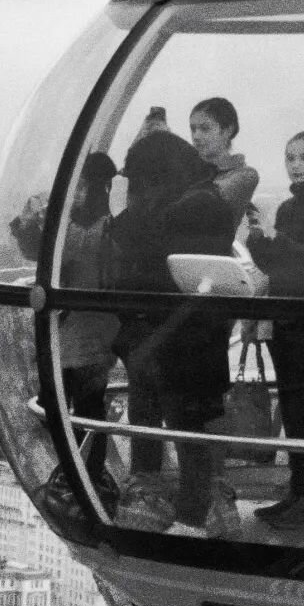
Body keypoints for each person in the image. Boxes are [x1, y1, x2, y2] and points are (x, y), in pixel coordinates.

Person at [110, 131, 235, 536]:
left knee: (186, 427)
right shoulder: (198, 200)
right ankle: (188, 512)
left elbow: (160, 269)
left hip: (178, 337)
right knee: (184, 425)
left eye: (138, 179)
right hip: (176, 337)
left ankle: (191, 518)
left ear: (154, 176)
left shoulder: (192, 208)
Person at [9, 153, 121, 501]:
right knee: (60, 403)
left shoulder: (106, 227)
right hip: (70, 327)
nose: (76, 193)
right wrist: (29, 223)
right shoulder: (79, 221)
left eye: (82, 186)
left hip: (90, 329)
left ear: (100, 187)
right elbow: (35, 252)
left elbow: (82, 249)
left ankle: (87, 473)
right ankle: (79, 469)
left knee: (84, 405)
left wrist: (50, 220)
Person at [245, 130, 304, 526]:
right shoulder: (289, 208)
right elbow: (277, 265)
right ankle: (302, 490)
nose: (296, 165)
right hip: (289, 319)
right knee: (295, 406)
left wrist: (277, 239)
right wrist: (258, 239)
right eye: (290, 158)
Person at [189, 97, 260, 233]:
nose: (196, 136)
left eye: (205, 129)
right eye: (193, 129)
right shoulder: (188, 169)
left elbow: (204, 202)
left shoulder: (245, 175)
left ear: (227, 130)